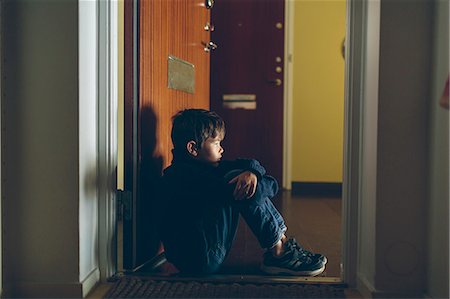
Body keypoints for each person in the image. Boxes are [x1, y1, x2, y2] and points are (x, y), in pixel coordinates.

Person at [160, 109, 327, 276]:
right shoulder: (182, 176)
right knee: (241, 183)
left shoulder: (205, 168)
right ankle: (279, 252)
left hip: (203, 256)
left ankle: (280, 247)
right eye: (216, 143)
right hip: (200, 260)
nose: (221, 149)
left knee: (242, 178)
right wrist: (252, 181)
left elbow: (264, 176)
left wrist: (252, 173)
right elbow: (257, 192)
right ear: (193, 148)